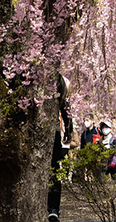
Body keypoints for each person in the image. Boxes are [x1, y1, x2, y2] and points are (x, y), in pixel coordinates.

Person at [48, 74, 74, 222]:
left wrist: (68, 128)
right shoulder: (56, 77)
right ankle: (53, 208)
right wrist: (69, 128)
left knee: (54, 170)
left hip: (52, 130)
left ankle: (53, 208)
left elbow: (64, 104)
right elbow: (65, 105)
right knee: (54, 170)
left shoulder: (56, 78)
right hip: (49, 131)